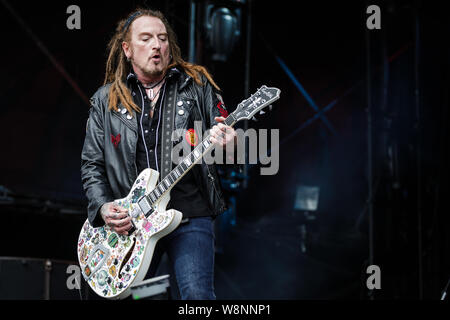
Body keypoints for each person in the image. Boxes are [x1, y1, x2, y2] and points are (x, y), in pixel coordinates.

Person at [80, 8, 238, 300]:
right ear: (127, 48)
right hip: (133, 222)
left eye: (163, 38)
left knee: (197, 296)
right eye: (147, 38)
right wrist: (103, 207)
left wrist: (231, 144)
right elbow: (92, 165)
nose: (157, 44)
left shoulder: (197, 84)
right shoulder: (106, 100)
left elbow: (229, 143)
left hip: (190, 213)